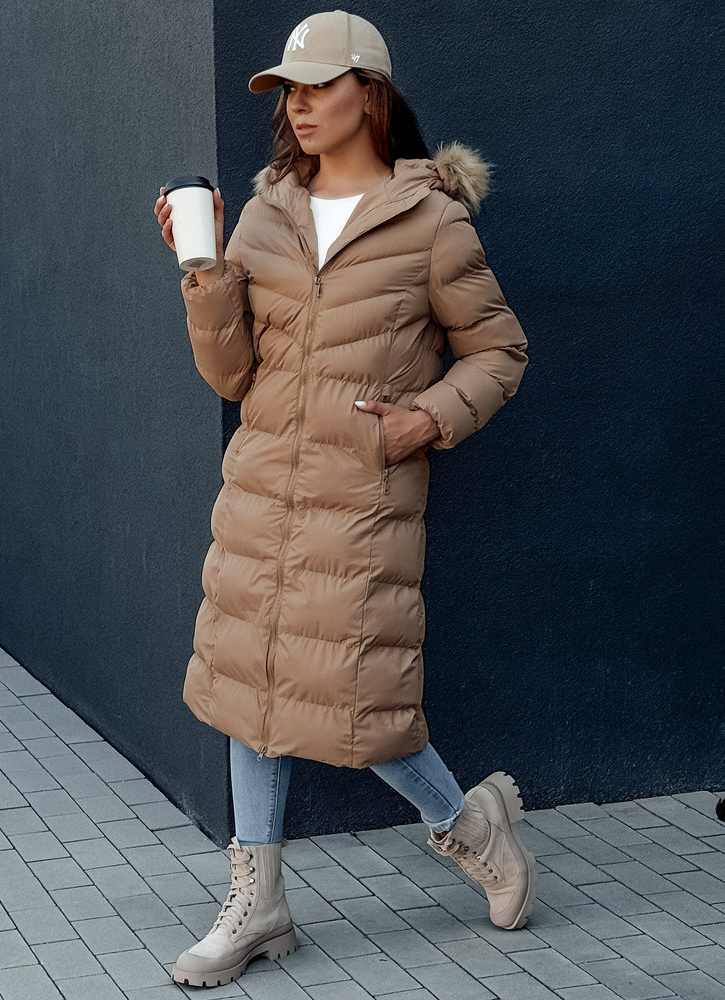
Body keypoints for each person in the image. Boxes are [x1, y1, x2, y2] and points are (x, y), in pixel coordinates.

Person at [154, 10, 535, 989]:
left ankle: (469, 826)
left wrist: (427, 419)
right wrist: (203, 274)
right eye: (289, 88)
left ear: (371, 93)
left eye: (320, 84)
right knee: (250, 693)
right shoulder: (267, 212)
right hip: (261, 496)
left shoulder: (432, 222)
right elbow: (232, 375)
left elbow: (499, 351)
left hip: (360, 504)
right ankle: (259, 901)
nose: (300, 104)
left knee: (362, 703)